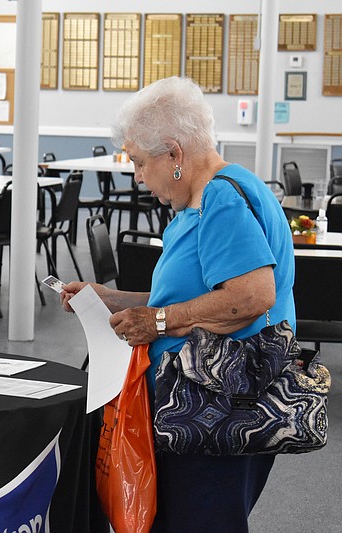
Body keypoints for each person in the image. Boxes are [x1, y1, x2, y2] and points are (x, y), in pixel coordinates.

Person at [59, 76, 295, 532]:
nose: (138, 177)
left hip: (217, 403)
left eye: (140, 162)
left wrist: (159, 321)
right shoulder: (209, 197)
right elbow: (200, 295)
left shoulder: (221, 200)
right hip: (207, 401)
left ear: (174, 153)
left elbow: (251, 296)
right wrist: (112, 298)